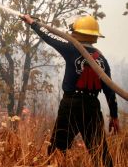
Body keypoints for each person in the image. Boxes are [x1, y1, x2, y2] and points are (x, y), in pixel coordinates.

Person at [21, 15, 119, 167]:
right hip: (92, 107)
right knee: (101, 156)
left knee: (56, 151)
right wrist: (114, 116)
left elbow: (49, 37)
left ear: (77, 32)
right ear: (94, 36)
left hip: (71, 105)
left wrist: (33, 23)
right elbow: (110, 91)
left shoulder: (71, 48)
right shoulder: (102, 60)